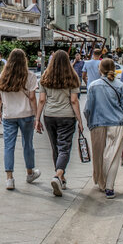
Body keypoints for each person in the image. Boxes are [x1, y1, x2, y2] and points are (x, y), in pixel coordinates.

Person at [0, 48, 40, 190]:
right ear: (24, 60)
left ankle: (9, 178)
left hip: (9, 115)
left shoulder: (4, 76)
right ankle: (30, 173)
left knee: (8, 146)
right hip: (26, 114)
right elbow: (32, 97)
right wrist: (37, 117)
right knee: (28, 144)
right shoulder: (30, 76)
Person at [35, 49, 82, 196]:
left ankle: (61, 177)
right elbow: (74, 101)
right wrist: (79, 120)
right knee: (64, 147)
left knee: (55, 147)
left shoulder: (45, 76)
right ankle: (58, 175)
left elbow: (42, 100)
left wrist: (37, 119)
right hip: (67, 116)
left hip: (49, 115)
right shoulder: (72, 77)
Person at [84, 57, 123, 198]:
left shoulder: (93, 85)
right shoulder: (121, 86)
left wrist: (89, 123)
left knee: (99, 155)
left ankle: (101, 182)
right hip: (117, 124)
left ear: (100, 69)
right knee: (113, 156)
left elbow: (87, 109)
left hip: (97, 123)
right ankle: (109, 188)